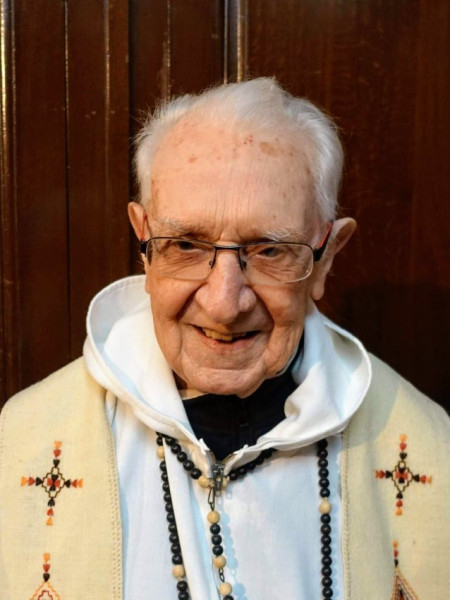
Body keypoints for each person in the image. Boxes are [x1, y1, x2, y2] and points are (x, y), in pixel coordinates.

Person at [0, 78, 449, 600]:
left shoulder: (433, 452)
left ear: (326, 256)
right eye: (186, 245)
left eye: (269, 250)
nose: (224, 303)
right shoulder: (19, 444)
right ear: (144, 241)